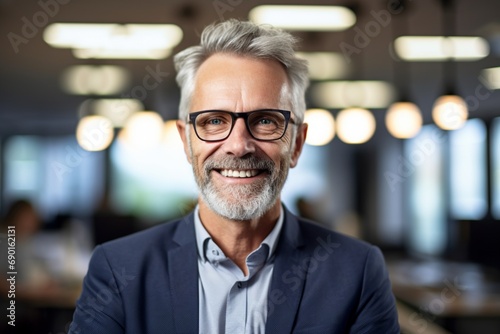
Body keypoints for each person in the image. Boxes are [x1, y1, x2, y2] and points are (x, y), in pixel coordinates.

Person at [69, 19, 399, 333]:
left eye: (266, 121)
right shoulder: (116, 269)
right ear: (186, 140)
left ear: (297, 144)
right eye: (213, 121)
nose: (239, 146)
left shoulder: (357, 271)